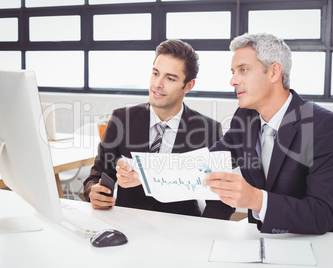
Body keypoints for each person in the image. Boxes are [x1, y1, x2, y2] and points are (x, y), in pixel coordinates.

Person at [203, 32, 333, 234]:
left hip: (325, 244)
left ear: (274, 72)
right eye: (233, 71)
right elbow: (209, 161)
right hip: (265, 240)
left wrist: (255, 199)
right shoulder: (245, 117)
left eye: (243, 70)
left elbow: (321, 215)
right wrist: (153, 170)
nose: (232, 80)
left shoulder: (323, 126)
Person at [83, 39, 234, 220]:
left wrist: (202, 230)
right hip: (128, 224)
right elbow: (96, 176)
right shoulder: (121, 120)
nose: (158, 84)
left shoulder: (208, 129)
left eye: (170, 78)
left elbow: (222, 200)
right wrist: (94, 192)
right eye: (155, 73)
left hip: (181, 229)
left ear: (188, 85)